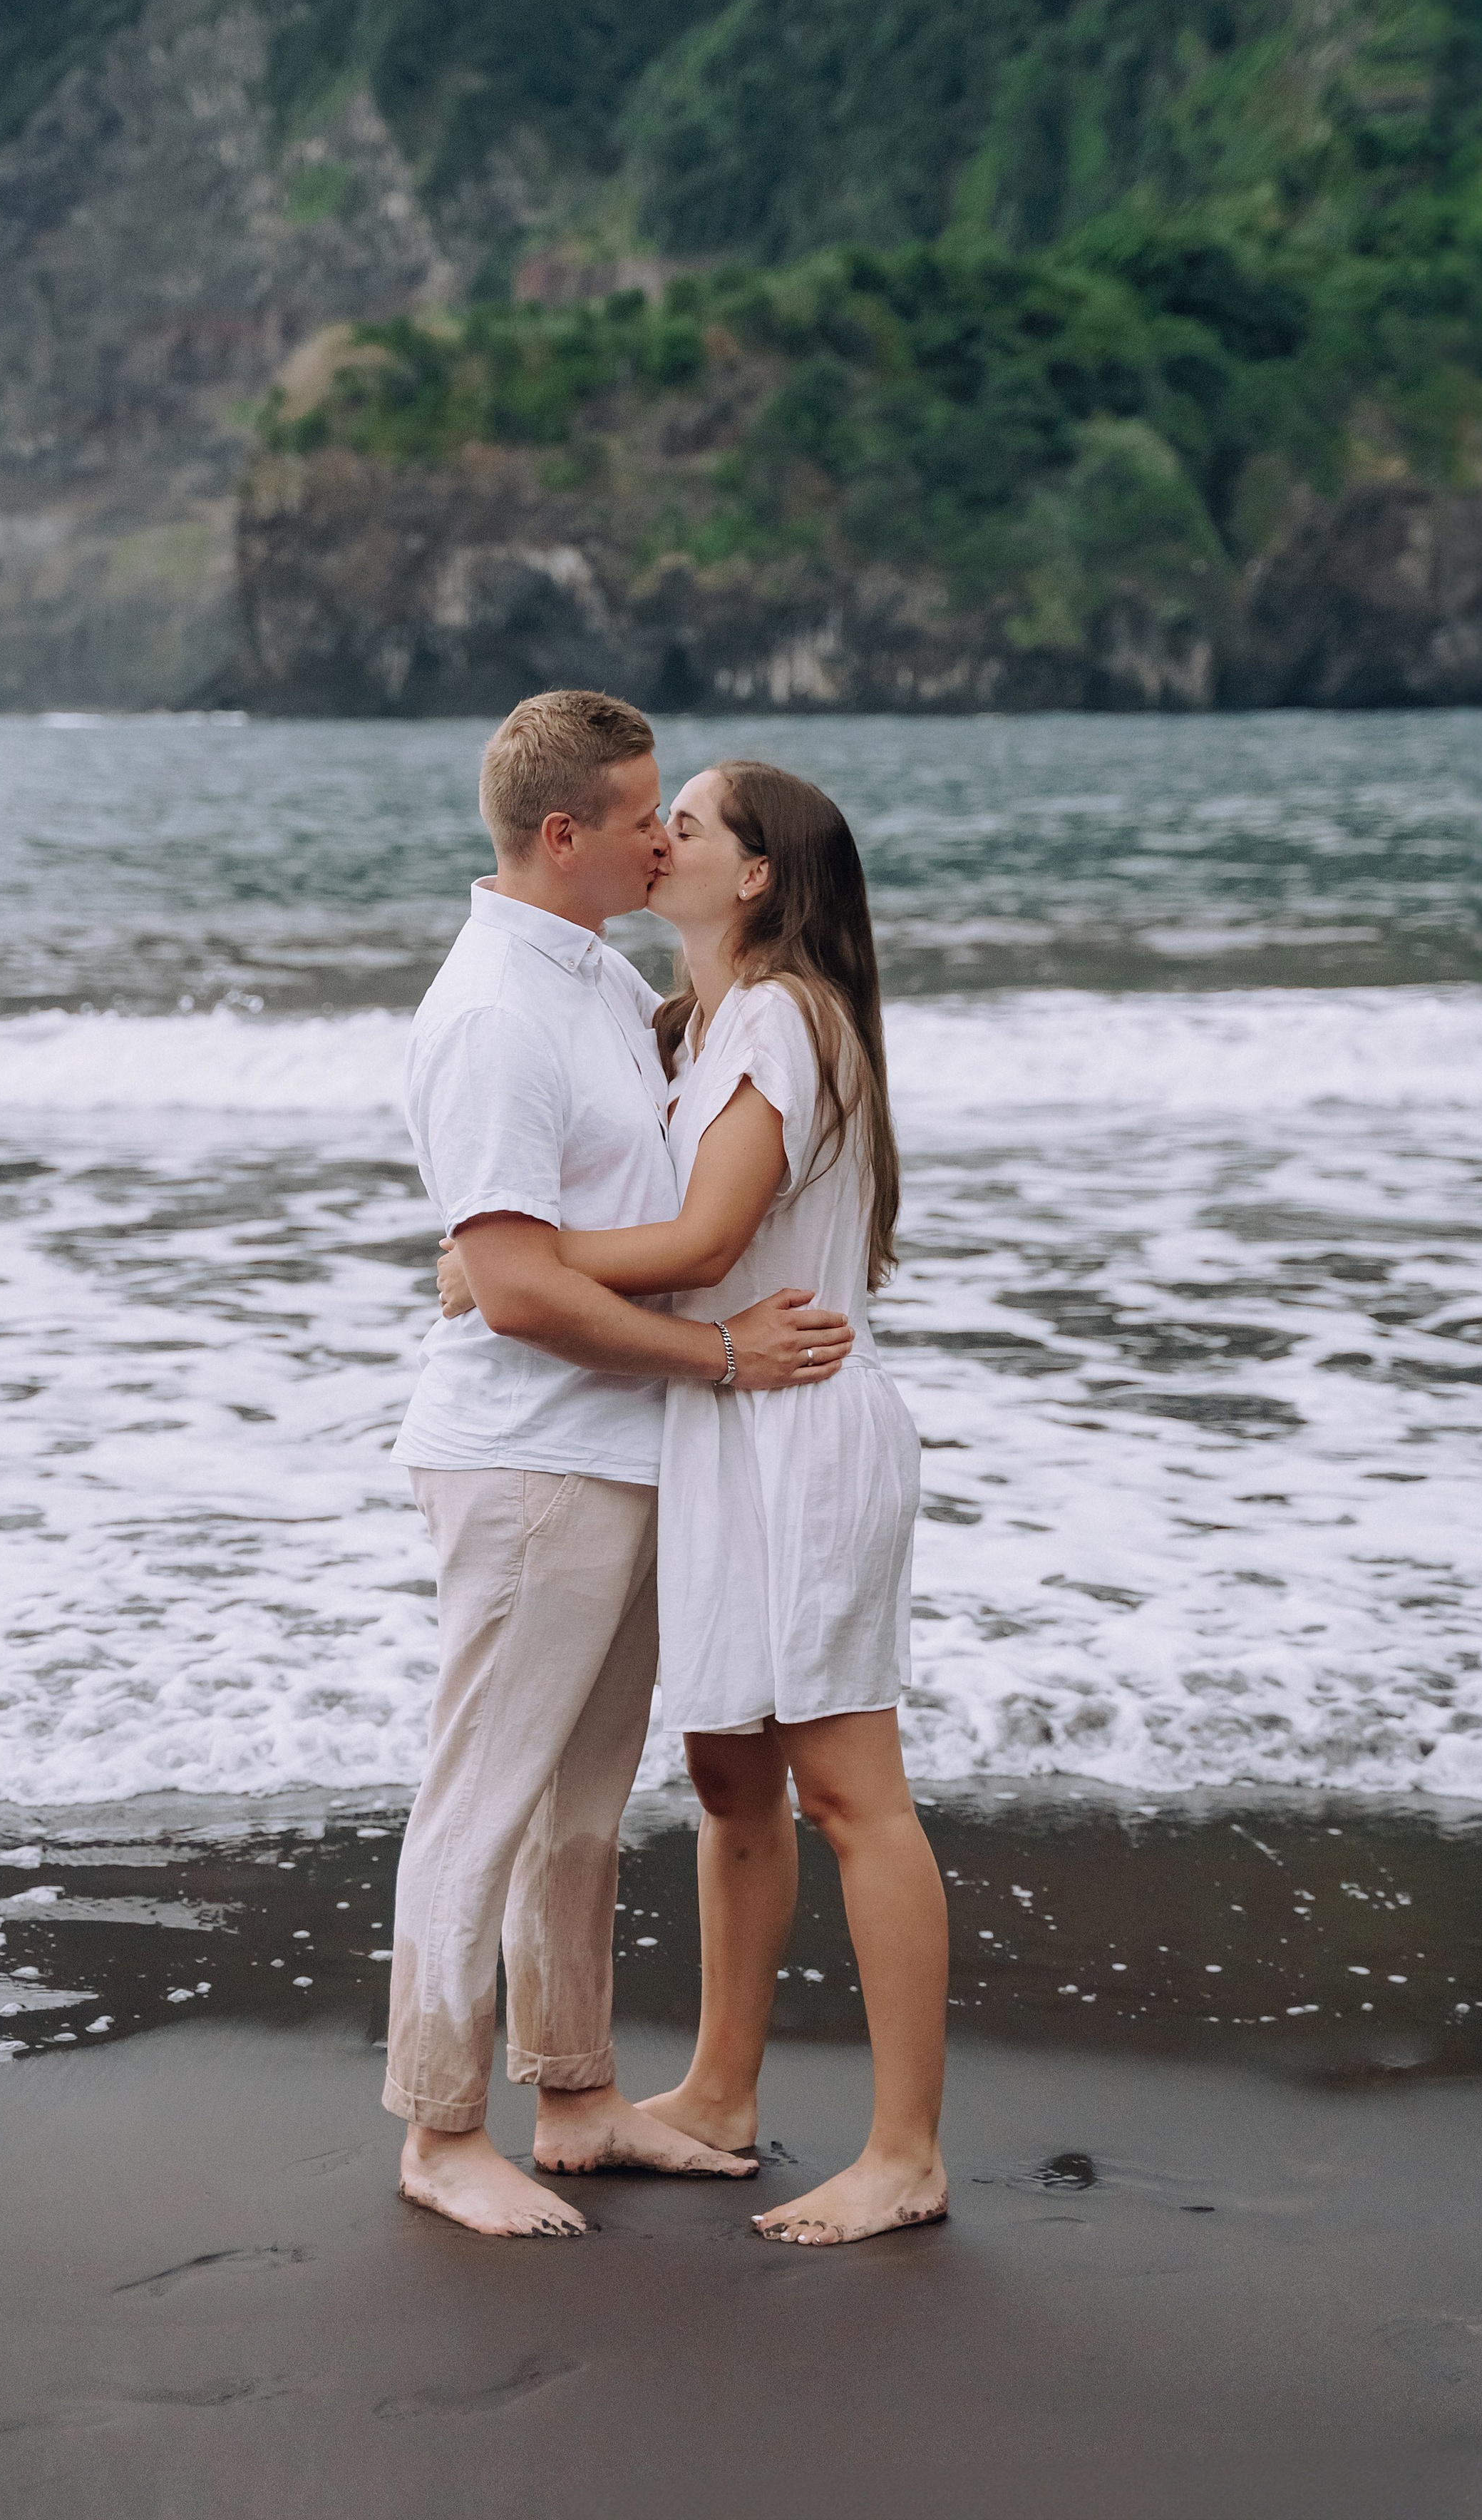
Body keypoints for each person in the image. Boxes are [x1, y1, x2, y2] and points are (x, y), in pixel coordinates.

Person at [440, 758, 947, 2245]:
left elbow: (706, 1231)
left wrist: (503, 1265)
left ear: (757, 879)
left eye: (693, 823)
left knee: (851, 1792)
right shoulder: (692, 1023)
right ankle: (720, 2092)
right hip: (719, 1420)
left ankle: (905, 2152)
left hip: (794, 1418)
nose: (657, 838)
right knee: (729, 1780)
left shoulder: (784, 1018)